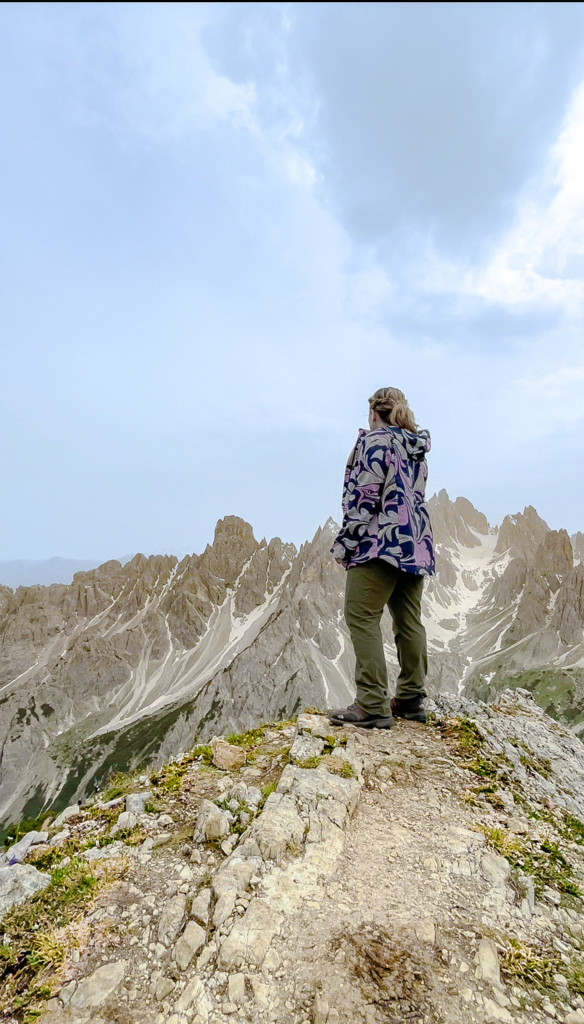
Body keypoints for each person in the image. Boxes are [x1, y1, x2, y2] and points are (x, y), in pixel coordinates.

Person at [328, 387, 435, 729]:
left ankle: (372, 704)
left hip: (380, 543)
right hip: (415, 543)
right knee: (408, 619)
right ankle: (411, 697)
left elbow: (364, 496)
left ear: (374, 412)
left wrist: (346, 543)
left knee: (361, 614)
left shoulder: (376, 441)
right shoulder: (415, 446)